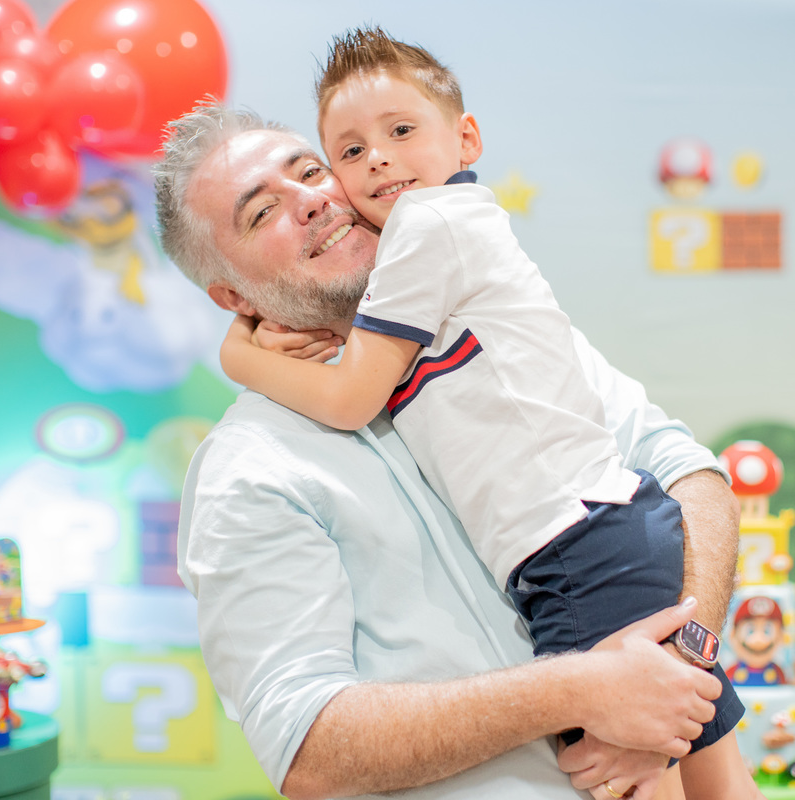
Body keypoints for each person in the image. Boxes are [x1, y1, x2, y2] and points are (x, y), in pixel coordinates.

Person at [216, 29, 756, 798]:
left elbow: (349, 400)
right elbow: (305, 745)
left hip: (571, 546)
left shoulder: (427, 228)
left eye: (400, 132)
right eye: (350, 150)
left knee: (638, 776)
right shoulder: (445, 262)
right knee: (716, 775)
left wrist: (241, 359)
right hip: (611, 527)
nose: (374, 162)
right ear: (231, 292)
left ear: (463, 136)